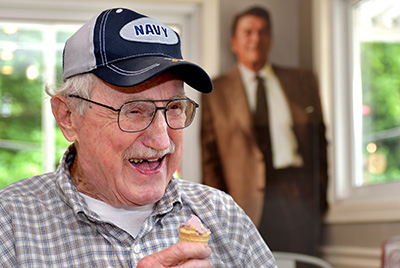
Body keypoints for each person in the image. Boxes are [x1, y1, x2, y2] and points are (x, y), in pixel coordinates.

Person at [0, 8, 277, 267]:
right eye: (133, 111)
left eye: (175, 108)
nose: (161, 141)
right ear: (68, 117)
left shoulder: (222, 214)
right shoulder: (10, 224)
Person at [201, 6, 328, 257]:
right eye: (248, 32)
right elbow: (210, 159)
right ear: (234, 42)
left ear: (270, 38)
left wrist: (320, 198)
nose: (255, 38)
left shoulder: (303, 81)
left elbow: (320, 144)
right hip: (244, 201)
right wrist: (219, 212)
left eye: (262, 31)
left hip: (297, 196)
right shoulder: (216, 91)